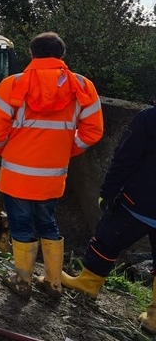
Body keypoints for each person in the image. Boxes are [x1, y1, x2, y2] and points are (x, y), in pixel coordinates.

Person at [0, 32, 104, 298]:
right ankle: (53, 282)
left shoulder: (12, 85)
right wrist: (64, 150)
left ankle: (23, 281)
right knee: (48, 223)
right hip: (53, 175)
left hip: (16, 174)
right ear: (61, 55)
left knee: (22, 226)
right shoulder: (82, 86)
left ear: (32, 53)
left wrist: (4, 149)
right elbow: (93, 131)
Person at [61, 105, 156, 331]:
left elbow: (126, 156)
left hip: (139, 203)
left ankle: (87, 284)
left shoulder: (149, 118)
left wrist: (108, 192)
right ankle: (154, 319)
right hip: (143, 202)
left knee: (106, 241)